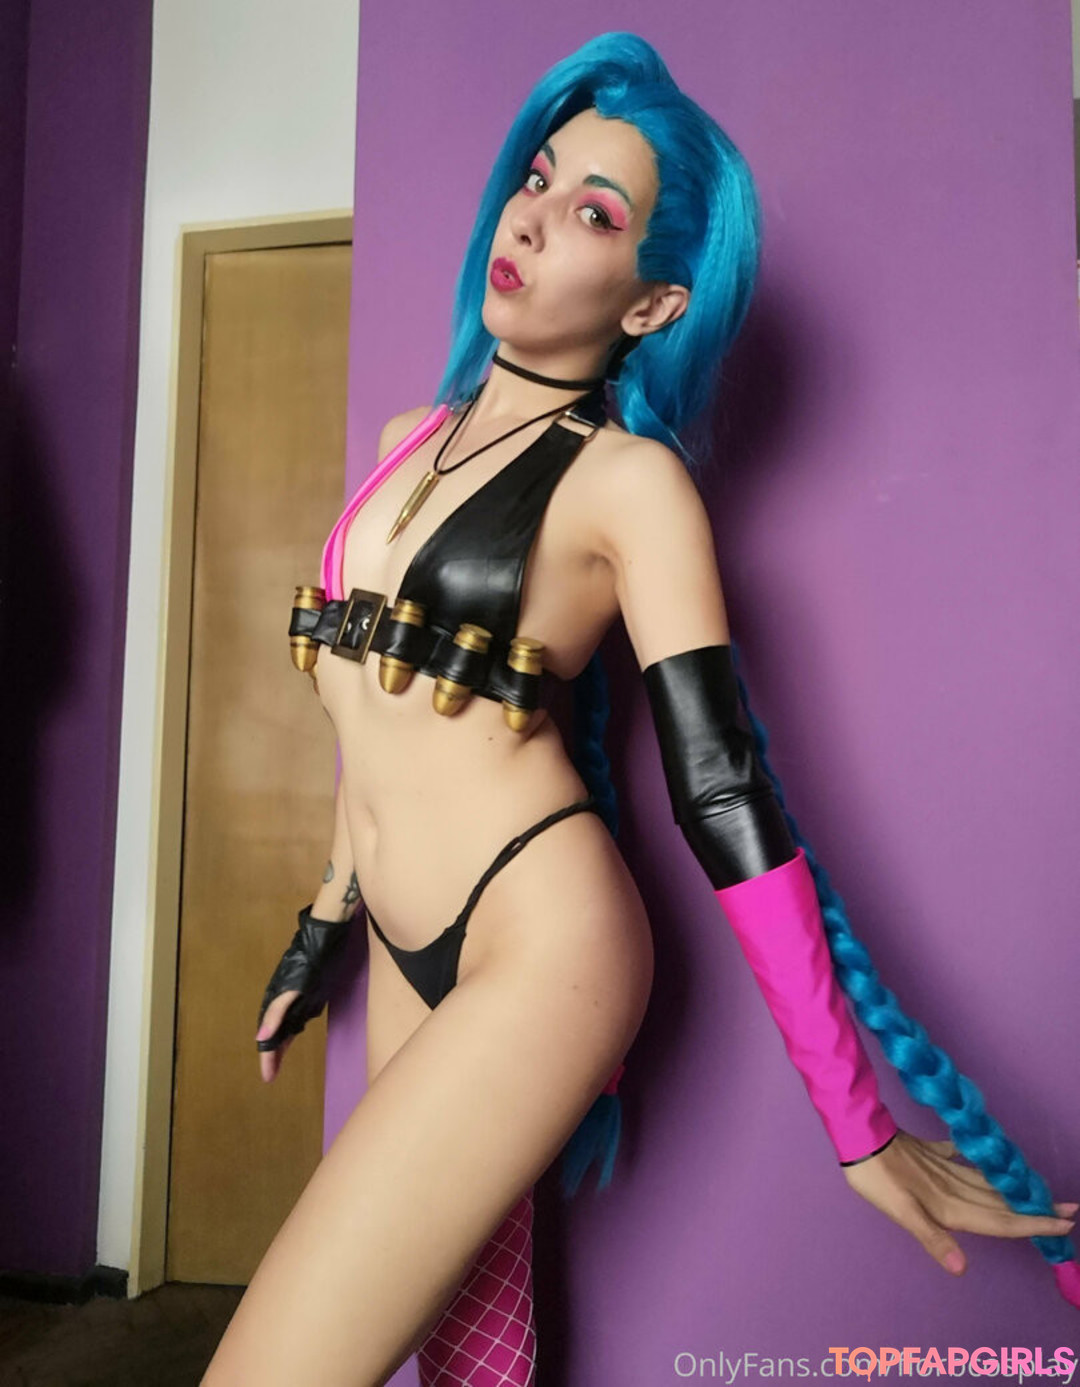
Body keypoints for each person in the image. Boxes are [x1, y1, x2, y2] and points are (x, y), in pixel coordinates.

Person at [202, 31, 1078, 1387]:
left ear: (656, 303)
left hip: (541, 940)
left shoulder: (628, 487)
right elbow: (373, 713)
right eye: (537, 180)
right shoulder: (400, 449)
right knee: (466, 1354)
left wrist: (852, 1114)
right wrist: (324, 923)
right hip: (403, 931)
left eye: (594, 213)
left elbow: (723, 788)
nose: (532, 219)